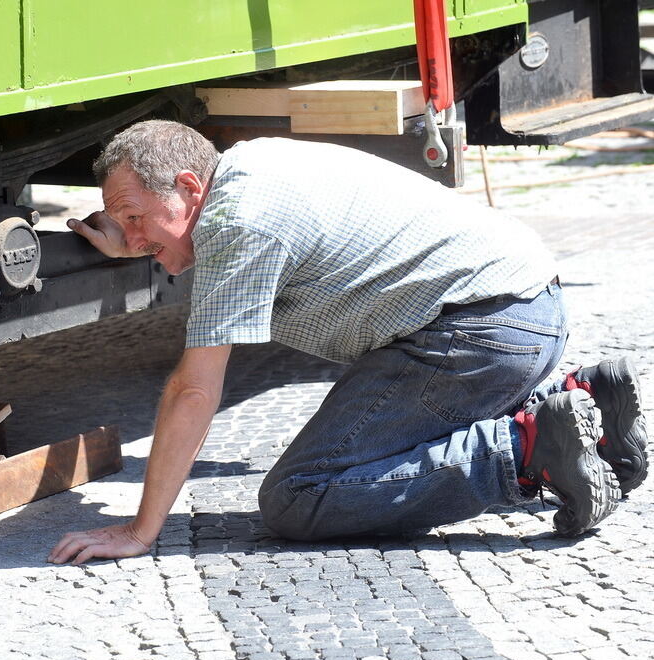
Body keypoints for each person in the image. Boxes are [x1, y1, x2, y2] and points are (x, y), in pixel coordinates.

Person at [48, 120, 648, 565]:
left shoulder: (237, 224)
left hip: (478, 336)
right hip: (528, 313)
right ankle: (582, 402)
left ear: (187, 186)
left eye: (133, 216)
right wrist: (143, 237)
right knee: (367, 458)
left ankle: (527, 448)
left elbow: (193, 390)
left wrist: (140, 531)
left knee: (298, 498)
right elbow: (178, 242)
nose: (128, 234)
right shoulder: (252, 165)